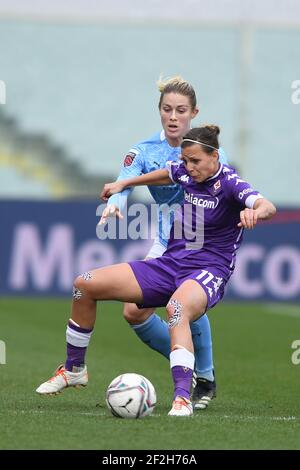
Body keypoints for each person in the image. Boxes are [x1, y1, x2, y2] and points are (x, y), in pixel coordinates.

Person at [36, 125, 276, 417]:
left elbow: (266, 206)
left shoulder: (229, 183)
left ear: (215, 156)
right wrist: (124, 184)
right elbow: (169, 173)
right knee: (84, 284)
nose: (189, 167)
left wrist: (255, 212)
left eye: (195, 161)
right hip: (170, 263)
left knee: (177, 308)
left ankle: (182, 398)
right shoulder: (186, 171)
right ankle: (74, 369)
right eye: (186, 160)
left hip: (208, 270)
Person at [99, 76, 229, 409]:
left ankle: (205, 376)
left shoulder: (210, 153)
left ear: (194, 113)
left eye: (181, 110)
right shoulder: (143, 151)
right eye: (167, 109)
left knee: (184, 304)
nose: (173, 116)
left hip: (200, 243)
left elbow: (226, 191)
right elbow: (124, 183)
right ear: (159, 111)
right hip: (165, 242)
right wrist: (116, 204)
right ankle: (186, 362)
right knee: (133, 312)